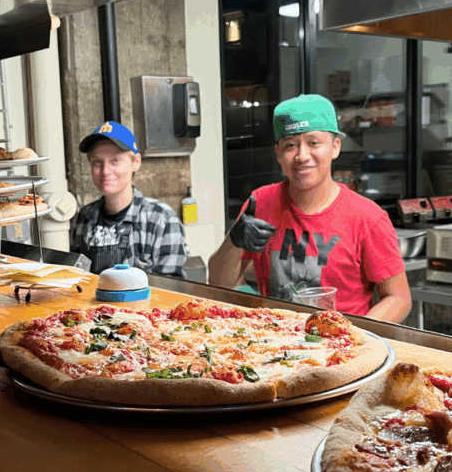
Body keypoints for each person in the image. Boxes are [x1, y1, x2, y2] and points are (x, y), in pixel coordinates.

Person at [208, 94, 411, 321]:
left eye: (314, 143)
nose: (302, 156)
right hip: (274, 345)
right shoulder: (261, 203)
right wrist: (233, 243)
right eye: (290, 145)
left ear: (335, 147)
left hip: (341, 348)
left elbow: (398, 298)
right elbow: (218, 281)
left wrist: (358, 336)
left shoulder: (366, 217)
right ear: (278, 154)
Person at [70, 121, 189, 277]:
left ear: (136, 163)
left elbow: (172, 292)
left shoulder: (162, 220)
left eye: (115, 161)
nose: (105, 171)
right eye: (97, 162)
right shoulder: (84, 217)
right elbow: (76, 279)